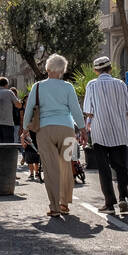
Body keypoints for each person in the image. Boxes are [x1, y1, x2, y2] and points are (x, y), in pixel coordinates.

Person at [21, 54, 84, 217]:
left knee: (50, 169)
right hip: (68, 129)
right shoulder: (68, 87)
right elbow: (76, 110)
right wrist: (82, 128)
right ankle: (64, 204)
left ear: (47, 69)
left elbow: (28, 110)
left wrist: (25, 129)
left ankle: (54, 206)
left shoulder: (38, 87)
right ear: (62, 71)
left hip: (45, 129)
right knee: (66, 165)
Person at [83, 56, 128, 214]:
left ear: (95, 70)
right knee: (121, 167)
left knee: (104, 168)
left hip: (100, 132)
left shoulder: (92, 85)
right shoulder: (120, 84)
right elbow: (127, 109)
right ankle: (123, 197)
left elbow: (88, 111)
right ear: (110, 68)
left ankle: (109, 203)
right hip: (119, 131)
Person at [0, 76, 21, 144]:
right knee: (8, 145)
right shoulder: (9, 92)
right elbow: (18, 105)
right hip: (8, 123)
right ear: (6, 84)